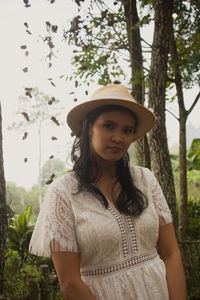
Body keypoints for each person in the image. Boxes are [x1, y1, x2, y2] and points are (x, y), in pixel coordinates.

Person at [29, 84, 186, 300]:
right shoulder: (63, 192)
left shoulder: (145, 179)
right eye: (109, 126)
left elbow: (170, 254)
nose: (118, 138)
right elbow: (70, 283)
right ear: (88, 126)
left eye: (127, 130)